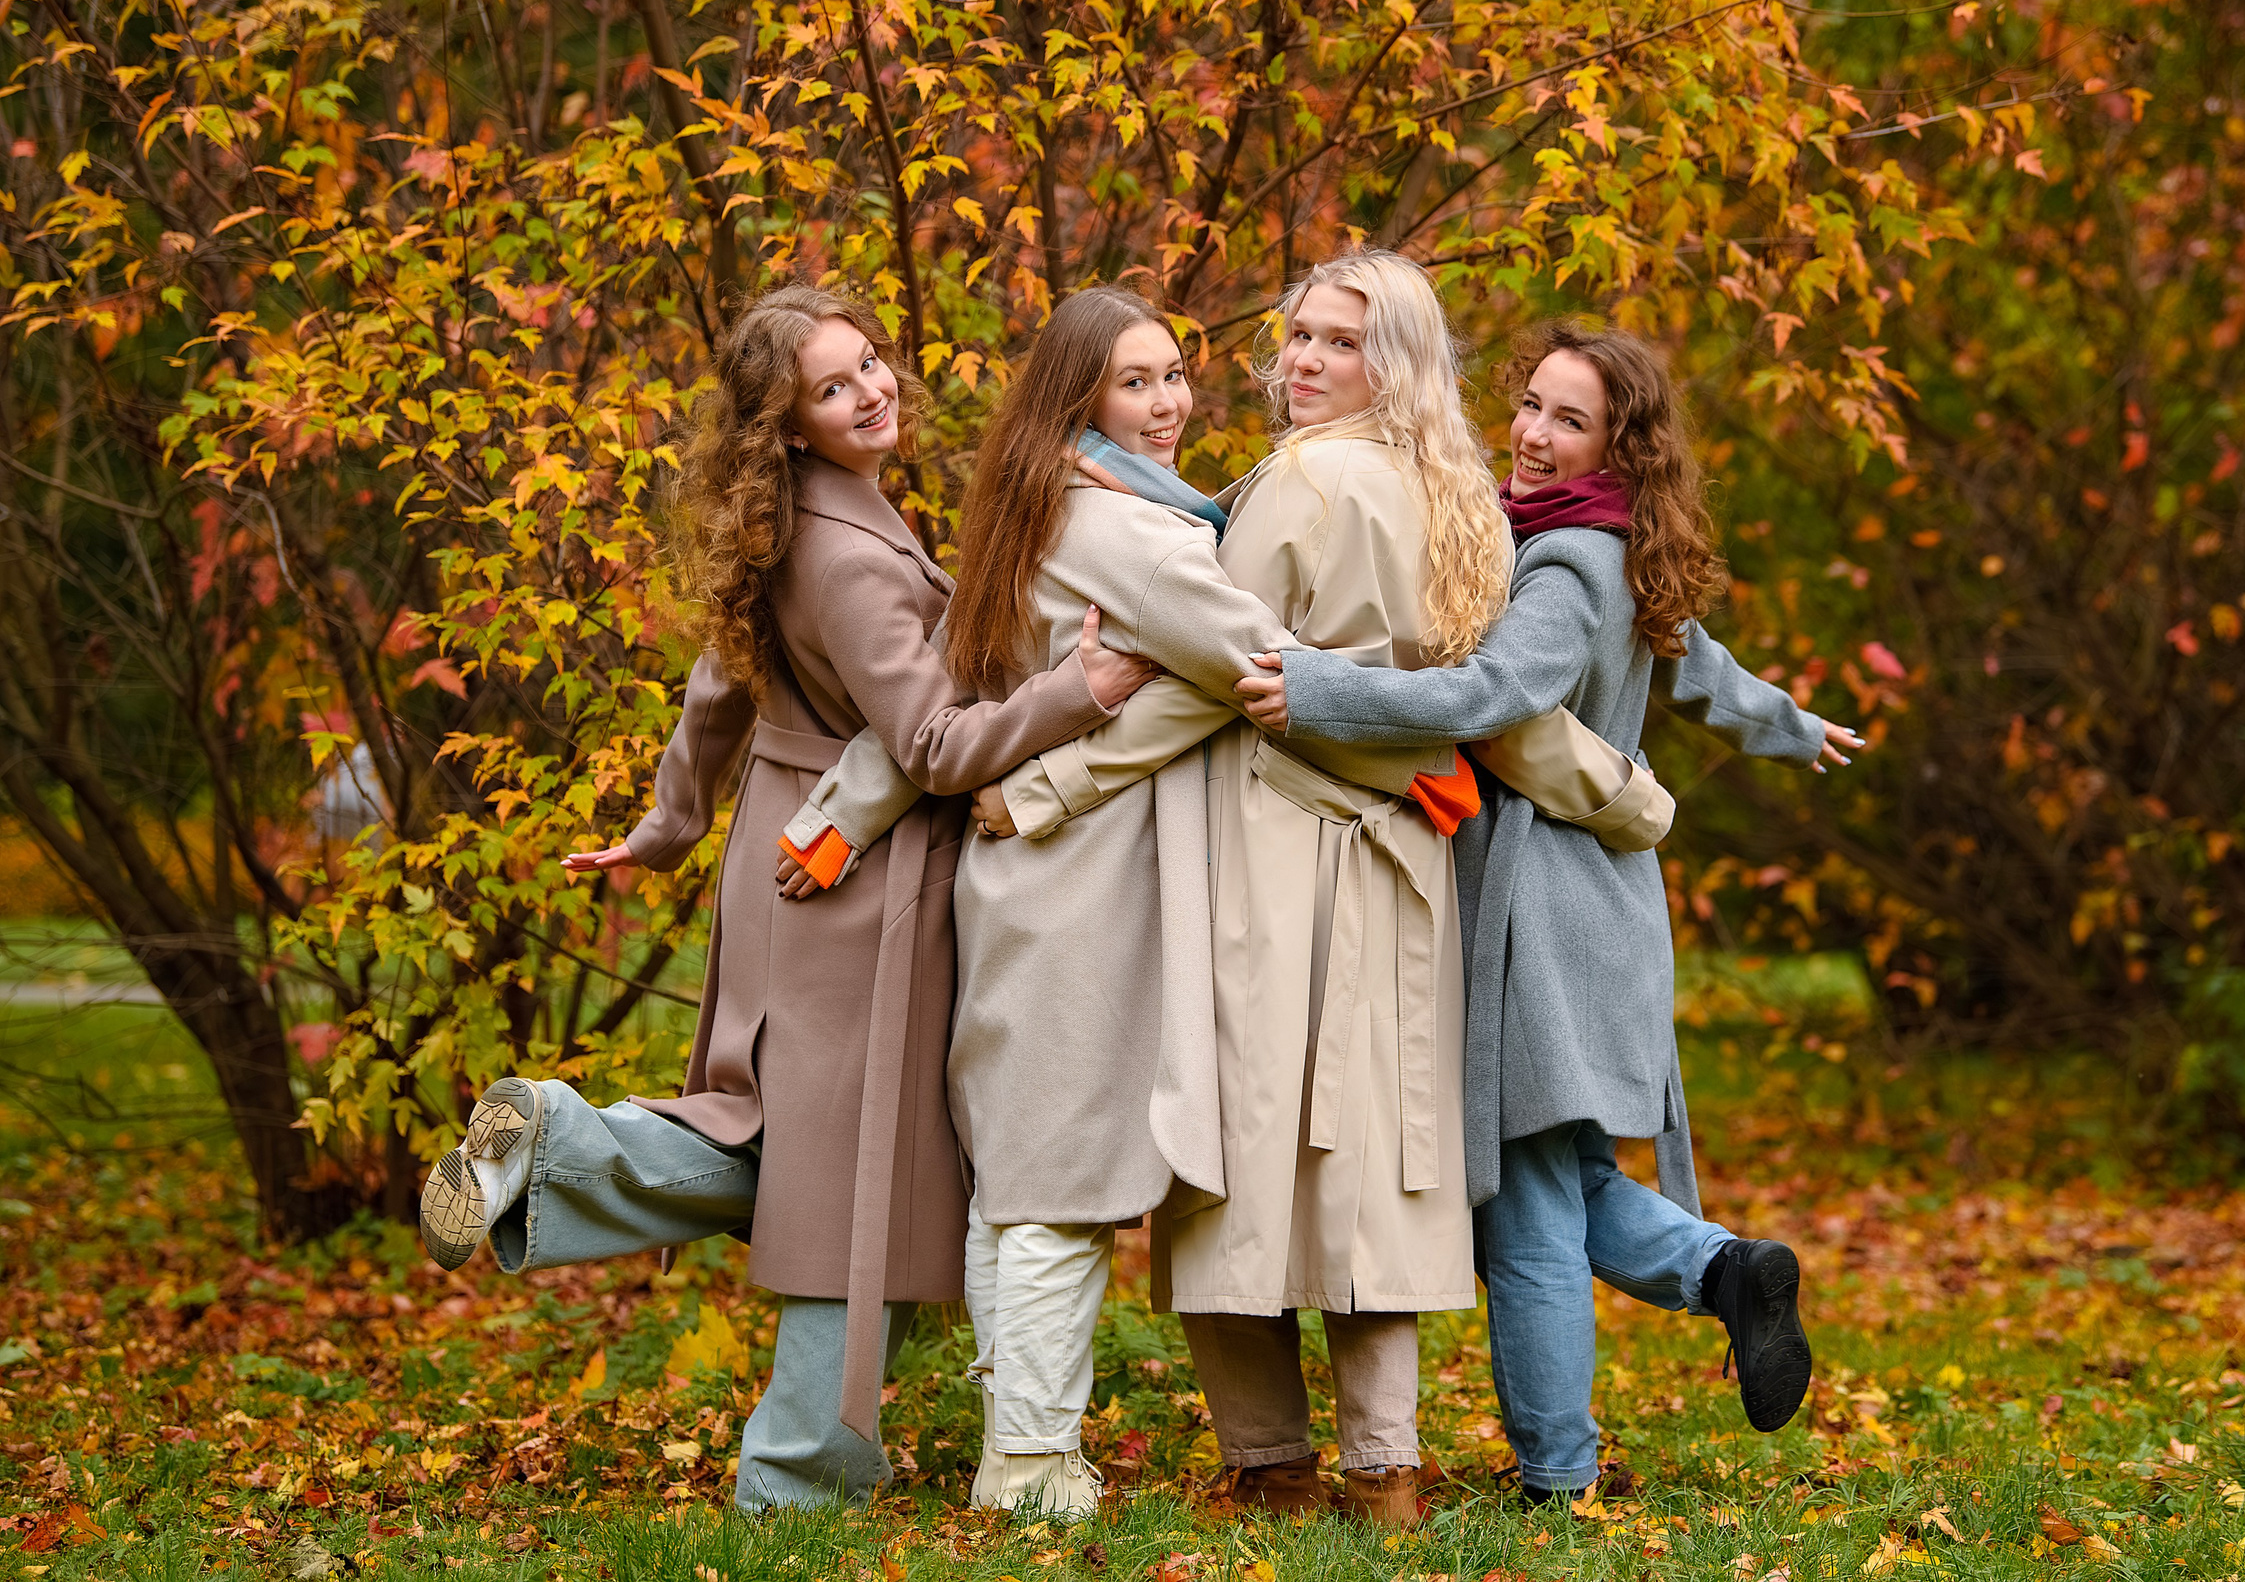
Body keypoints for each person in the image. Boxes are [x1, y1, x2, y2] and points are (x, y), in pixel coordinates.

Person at [787, 284, 1663, 1522]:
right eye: (1297, 333)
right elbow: (1470, 697)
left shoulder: (1277, 491)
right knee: (1374, 1163)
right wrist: (1615, 792)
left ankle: (1269, 1462)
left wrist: (1021, 793)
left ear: (1392, 359)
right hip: (1396, 854)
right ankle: (1379, 1465)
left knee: (1244, 1168)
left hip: (1275, 846)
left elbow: (1247, 681)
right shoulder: (1453, 491)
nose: (1298, 358)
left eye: (1338, 340)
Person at [410, 284, 1158, 1513]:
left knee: (781, 1140)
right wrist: (1081, 686)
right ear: (787, 423)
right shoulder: (852, 554)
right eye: (833, 385)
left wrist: (670, 821)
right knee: (851, 1169)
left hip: (784, 844)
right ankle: (795, 1472)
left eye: (868, 363)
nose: (870, 390)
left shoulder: (793, 519)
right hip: (860, 889)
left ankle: (560, 1149)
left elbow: (717, 685)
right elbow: (931, 744)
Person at [1231, 321, 1859, 1500]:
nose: (1529, 432)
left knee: (1521, 1206)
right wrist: (1790, 722)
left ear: (1617, 449)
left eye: (1568, 420)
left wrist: (1316, 686)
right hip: (1590, 898)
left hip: (1535, 903)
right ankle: (1725, 1270)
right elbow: (1699, 661)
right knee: (1563, 1178)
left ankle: (1558, 1475)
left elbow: (1488, 690)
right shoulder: (1600, 544)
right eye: (1527, 403)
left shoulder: (1565, 566)